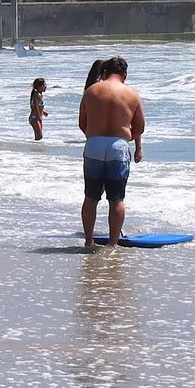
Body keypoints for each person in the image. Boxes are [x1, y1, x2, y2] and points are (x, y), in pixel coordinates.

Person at [78, 57, 144, 246]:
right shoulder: (131, 94)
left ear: (104, 72)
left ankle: (89, 241)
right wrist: (124, 139)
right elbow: (139, 126)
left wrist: (96, 137)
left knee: (90, 198)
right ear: (124, 75)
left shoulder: (91, 91)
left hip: (94, 145)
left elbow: (82, 123)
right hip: (118, 146)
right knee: (116, 199)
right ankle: (113, 244)